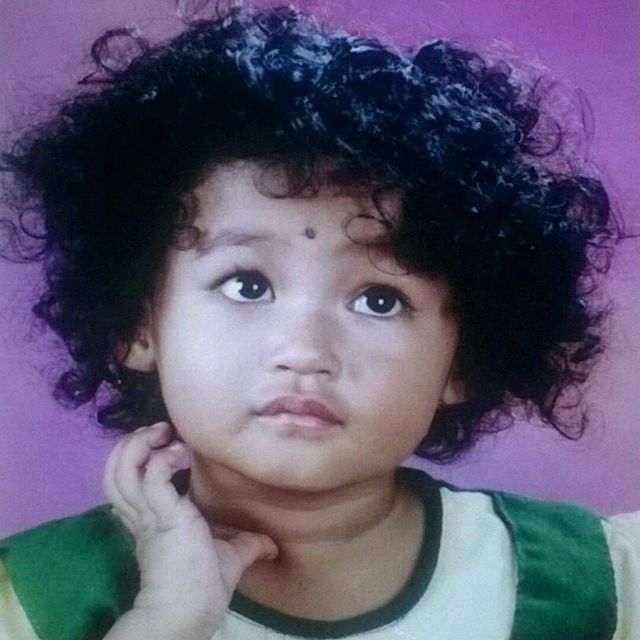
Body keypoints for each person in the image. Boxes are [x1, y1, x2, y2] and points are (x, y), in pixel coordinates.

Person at [0, 3, 638, 639]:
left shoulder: (605, 586)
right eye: (247, 286)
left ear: (463, 360)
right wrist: (167, 621)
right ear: (139, 326)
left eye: (379, 300)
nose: (304, 351)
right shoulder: (32, 602)